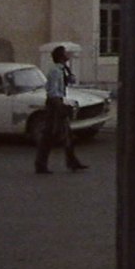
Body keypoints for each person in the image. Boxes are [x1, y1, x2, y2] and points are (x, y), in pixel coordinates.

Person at [34, 45, 89, 174]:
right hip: (54, 104)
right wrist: (60, 107)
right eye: (65, 53)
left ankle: (72, 162)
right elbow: (53, 91)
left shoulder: (62, 69)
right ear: (60, 56)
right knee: (49, 134)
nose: (67, 55)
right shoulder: (55, 71)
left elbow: (70, 81)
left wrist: (69, 72)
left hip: (58, 102)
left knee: (67, 134)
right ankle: (41, 164)